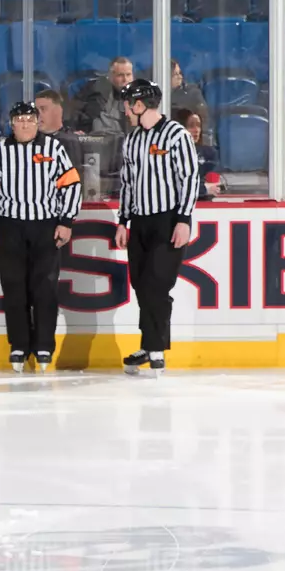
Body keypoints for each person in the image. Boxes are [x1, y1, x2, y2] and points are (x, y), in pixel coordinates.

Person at [0, 101, 82, 372]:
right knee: (14, 289)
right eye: (20, 119)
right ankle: (19, 345)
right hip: (11, 227)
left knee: (45, 289)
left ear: (38, 122)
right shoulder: (0, 151)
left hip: (46, 227)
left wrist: (66, 221)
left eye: (30, 119)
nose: (25, 124)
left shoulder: (53, 148)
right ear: (12, 123)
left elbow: (71, 184)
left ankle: (44, 345)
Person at [113, 77, 199, 377]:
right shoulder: (133, 139)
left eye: (127, 104)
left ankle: (156, 348)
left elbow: (189, 178)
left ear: (139, 105)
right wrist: (123, 221)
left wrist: (184, 220)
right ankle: (150, 344)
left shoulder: (176, 134)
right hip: (140, 221)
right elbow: (127, 184)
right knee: (141, 284)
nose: (124, 110)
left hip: (168, 220)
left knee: (157, 284)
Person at [74, 55, 136, 136]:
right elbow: (79, 115)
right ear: (110, 76)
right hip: (98, 142)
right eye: (120, 75)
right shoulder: (97, 92)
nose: (125, 79)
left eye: (128, 75)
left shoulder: (139, 97)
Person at [171, 107, 221, 196]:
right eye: (191, 126)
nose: (196, 130)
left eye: (198, 125)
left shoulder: (209, 154)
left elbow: (213, 183)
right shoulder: (170, 154)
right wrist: (203, 189)